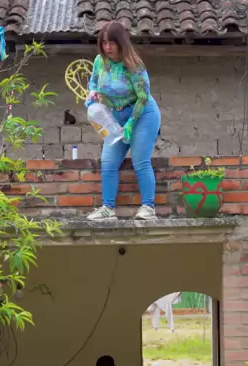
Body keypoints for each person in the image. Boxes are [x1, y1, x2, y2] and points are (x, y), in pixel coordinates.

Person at [85, 21, 161, 222]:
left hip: (142, 114)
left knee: (140, 160)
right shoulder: (100, 61)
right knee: (108, 162)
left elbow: (143, 97)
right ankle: (107, 208)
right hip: (115, 117)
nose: (107, 47)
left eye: (112, 43)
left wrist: (130, 124)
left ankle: (148, 207)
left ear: (121, 43)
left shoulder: (134, 66)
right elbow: (94, 82)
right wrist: (92, 93)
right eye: (104, 43)